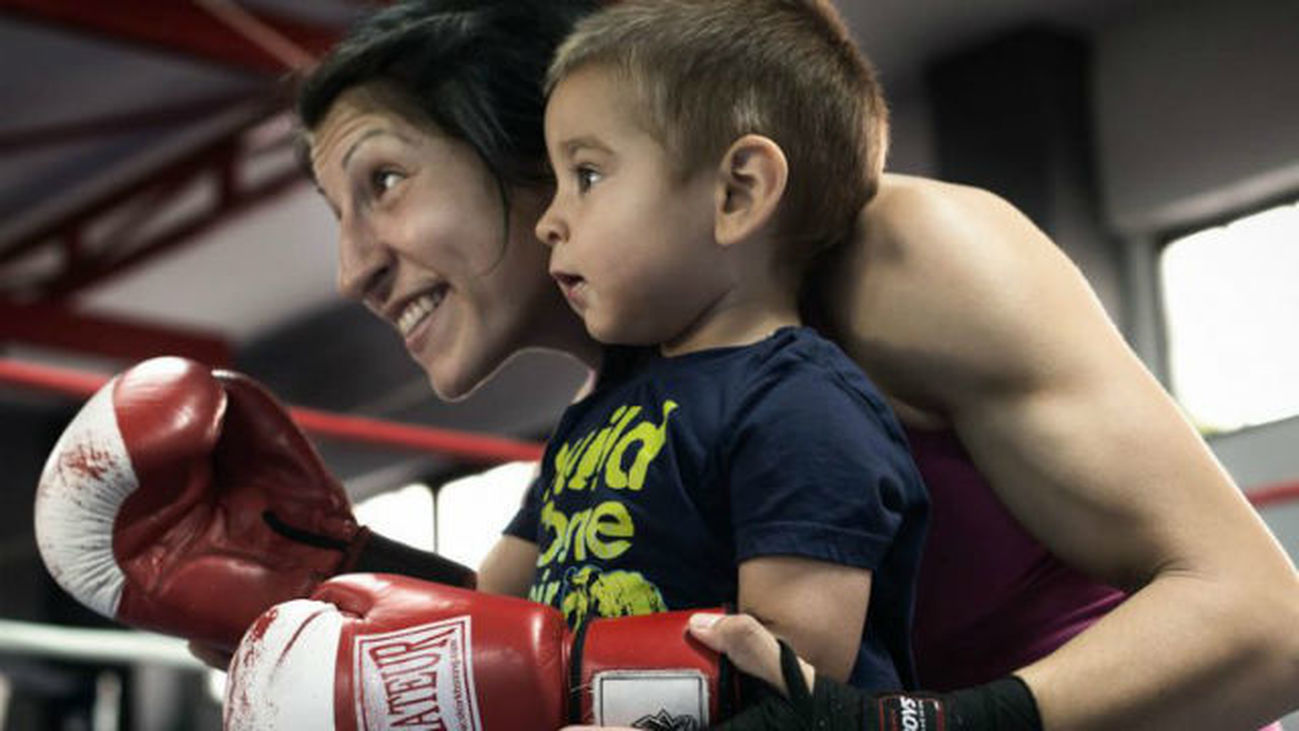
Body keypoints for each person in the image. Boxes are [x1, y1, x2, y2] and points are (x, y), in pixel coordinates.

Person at [266, 0, 1299, 726]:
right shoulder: (625, 400)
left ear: (535, 151)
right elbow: (521, 641)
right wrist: (303, 574)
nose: (355, 266)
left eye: (386, 181)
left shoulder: (907, 252)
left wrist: (924, 726)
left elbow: (1266, 625)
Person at [514, 0, 930, 694]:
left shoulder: (799, 405)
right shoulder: (601, 410)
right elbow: (491, 615)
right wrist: (350, 558)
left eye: (585, 175)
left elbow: (788, 680)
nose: (549, 222)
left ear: (737, 193)